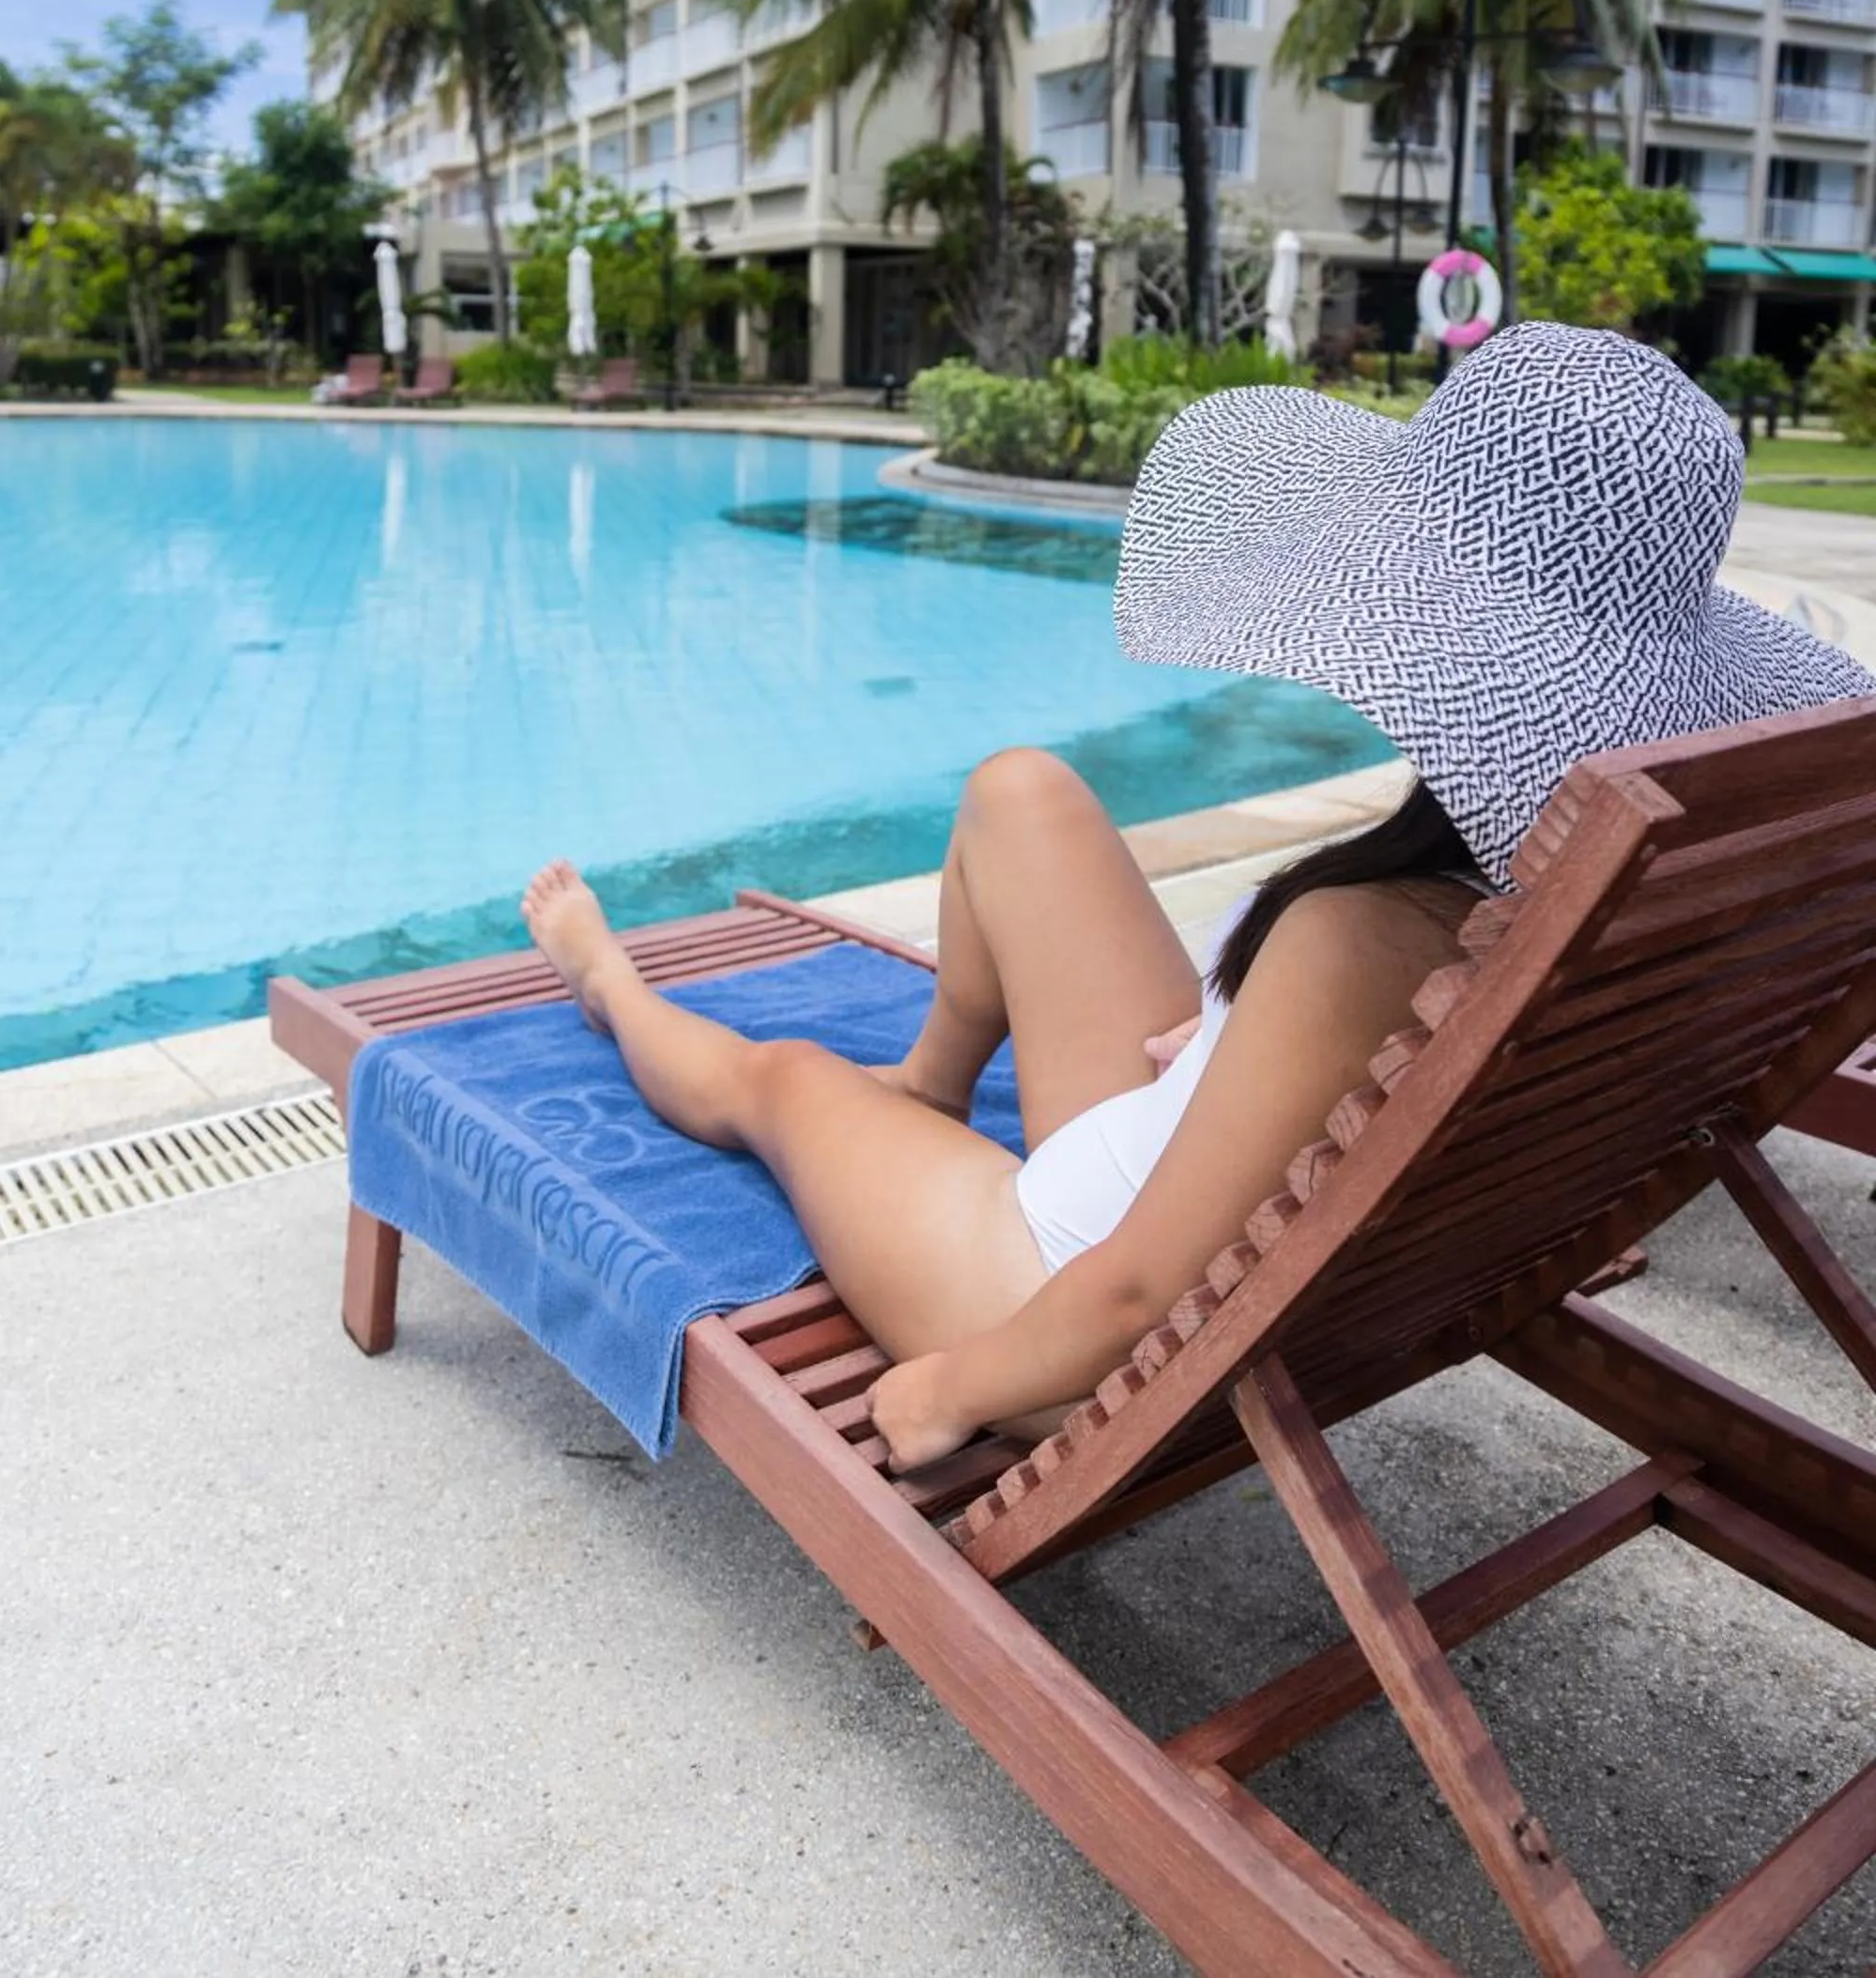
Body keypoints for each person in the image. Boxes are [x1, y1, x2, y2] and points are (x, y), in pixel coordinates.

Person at [522, 323, 1873, 1475]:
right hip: (1185, 1163)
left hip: (1054, 1300)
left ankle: (607, 981)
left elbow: (1132, 1292)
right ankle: (932, 1087)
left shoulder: (1366, 935)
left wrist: (942, 1393)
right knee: (1021, 794)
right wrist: (1246, 1052)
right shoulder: (1600, 907)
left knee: (787, 1082)